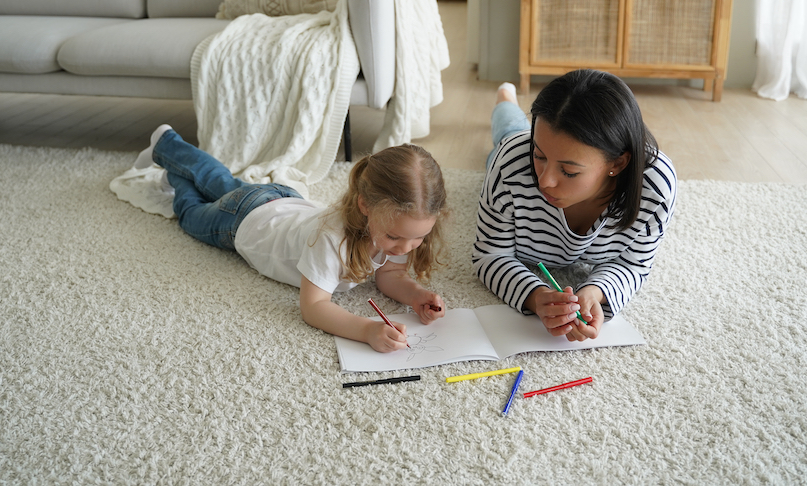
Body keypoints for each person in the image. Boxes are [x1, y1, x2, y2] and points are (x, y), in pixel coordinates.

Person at [135, 125, 449, 353]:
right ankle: (174, 171)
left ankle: (166, 142)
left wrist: (415, 295)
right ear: (364, 206)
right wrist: (366, 330)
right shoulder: (331, 239)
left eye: (417, 239)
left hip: (281, 199)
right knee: (191, 215)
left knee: (223, 182)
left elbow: (390, 275)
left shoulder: (400, 228)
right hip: (244, 222)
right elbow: (313, 306)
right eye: (395, 238)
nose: (405, 248)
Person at [474, 69, 677, 342]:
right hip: (511, 147)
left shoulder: (655, 187)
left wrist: (595, 291)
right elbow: (488, 256)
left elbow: (634, 265)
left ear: (617, 163)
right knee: (509, 130)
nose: (545, 181)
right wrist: (536, 296)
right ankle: (505, 99)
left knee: (517, 134)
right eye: (539, 155)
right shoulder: (511, 164)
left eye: (569, 171)